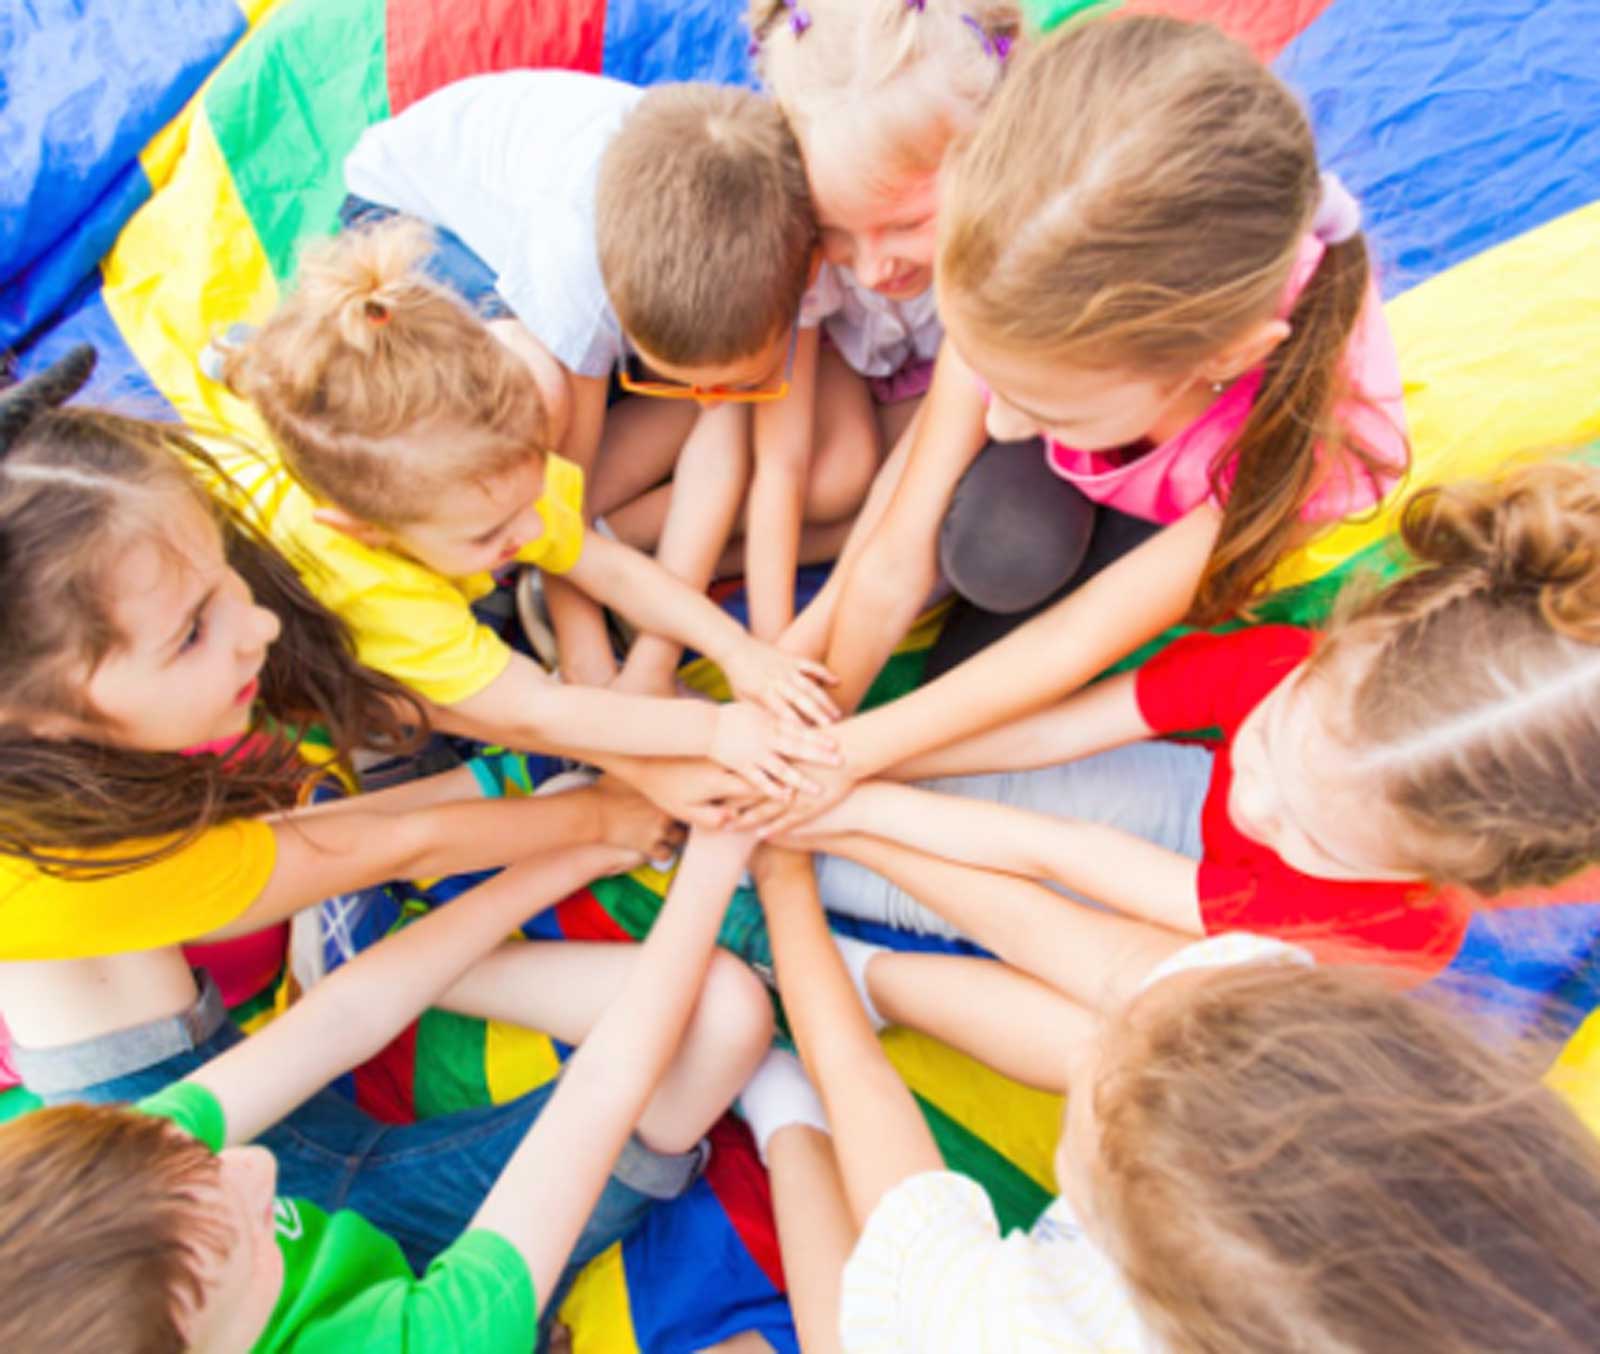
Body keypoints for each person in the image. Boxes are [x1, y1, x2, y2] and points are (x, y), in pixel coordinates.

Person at [0, 352, 767, 1280]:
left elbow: (348, 904)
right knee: (716, 1014)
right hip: (241, 1142)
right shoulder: (77, 870)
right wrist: (599, 816)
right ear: (37, 717)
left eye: (220, 578)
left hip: (225, 1087)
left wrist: (569, 799)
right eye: (194, 631)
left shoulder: (118, 615)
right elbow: (377, 845)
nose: (259, 626)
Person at [759, 15, 1408, 829]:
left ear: (1218, 360)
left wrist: (860, 754)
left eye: (1044, 405)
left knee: (974, 700)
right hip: (1118, 397)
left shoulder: (1303, 434)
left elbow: (1080, 638)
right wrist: (817, 704)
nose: (999, 426)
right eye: (1003, 384)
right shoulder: (1018, 253)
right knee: (999, 549)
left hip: (1186, 483)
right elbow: (899, 537)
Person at [740, 848, 1600, 1353]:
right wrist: (859, 840)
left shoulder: (1022, 1328)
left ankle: (777, 1106)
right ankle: (866, 978)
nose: (1093, 1067)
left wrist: (783, 893)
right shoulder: (1290, 1034)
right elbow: (1116, 971)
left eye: (1088, 1107)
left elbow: (894, 1172)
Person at [789, 461, 1600, 989]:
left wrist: (854, 813)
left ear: (1429, 870)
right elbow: (1053, 733)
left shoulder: (1377, 928)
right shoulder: (1279, 670)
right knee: (958, 794)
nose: (1259, 805)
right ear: (1324, 660)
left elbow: (1066, 855)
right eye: (1269, 748)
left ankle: (853, 966)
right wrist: (873, 759)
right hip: (1186, 816)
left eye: (1315, 839)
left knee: (890, 877)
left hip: (1221, 940)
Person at [0, 830, 768, 1354]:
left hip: (217, 1228)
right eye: (229, 1208)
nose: (249, 1165)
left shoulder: (139, 1195)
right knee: (722, 1014)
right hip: (434, 1257)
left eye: (199, 1159)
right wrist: (714, 858)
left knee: (34, 874)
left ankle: (428, 967)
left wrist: (574, 848)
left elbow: (341, 1020)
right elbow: (599, 1092)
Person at [221, 220, 842, 803]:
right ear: (367, 532)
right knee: (412, 705)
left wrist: (736, 650)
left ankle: (246, 365)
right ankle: (242, 367)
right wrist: (712, 733)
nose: (529, 530)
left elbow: (609, 567)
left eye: (531, 496)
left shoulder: (479, 470)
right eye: (489, 535)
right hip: (298, 621)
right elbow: (535, 709)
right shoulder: (377, 595)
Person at [338, 74, 880, 690]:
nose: (709, 404)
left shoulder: (766, 238)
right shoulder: (577, 277)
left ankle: (608, 569)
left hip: (587, 254)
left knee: (801, 456)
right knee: (545, 399)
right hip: (408, 228)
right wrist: (587, 656)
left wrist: (743, 652)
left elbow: (738, 454)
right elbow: (567, 485)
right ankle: (555, 572)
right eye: (681, 384)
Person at [745, 0, 1020, 659]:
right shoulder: (809, 251)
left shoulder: (1000, 246)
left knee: (921, 497)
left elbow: (911, 487)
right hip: (857, 361)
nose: (870, 268)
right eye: (836, 230)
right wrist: (771, 641)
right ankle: (601, 546)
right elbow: (777, 462)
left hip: (924, 382)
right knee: (835, 473)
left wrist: (808, 640)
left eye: (905, 225)